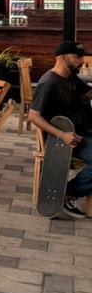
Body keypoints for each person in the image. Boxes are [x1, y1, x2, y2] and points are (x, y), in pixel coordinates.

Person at [27, 41, 92, 218]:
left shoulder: (70, 77)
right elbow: (33, 115)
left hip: (84, 132)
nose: (81, 61)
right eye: (77, 57)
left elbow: (88, 93)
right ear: (63, 58)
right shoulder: (48, 82)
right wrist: (62, 135)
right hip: (65, 140)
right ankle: (66, 194)